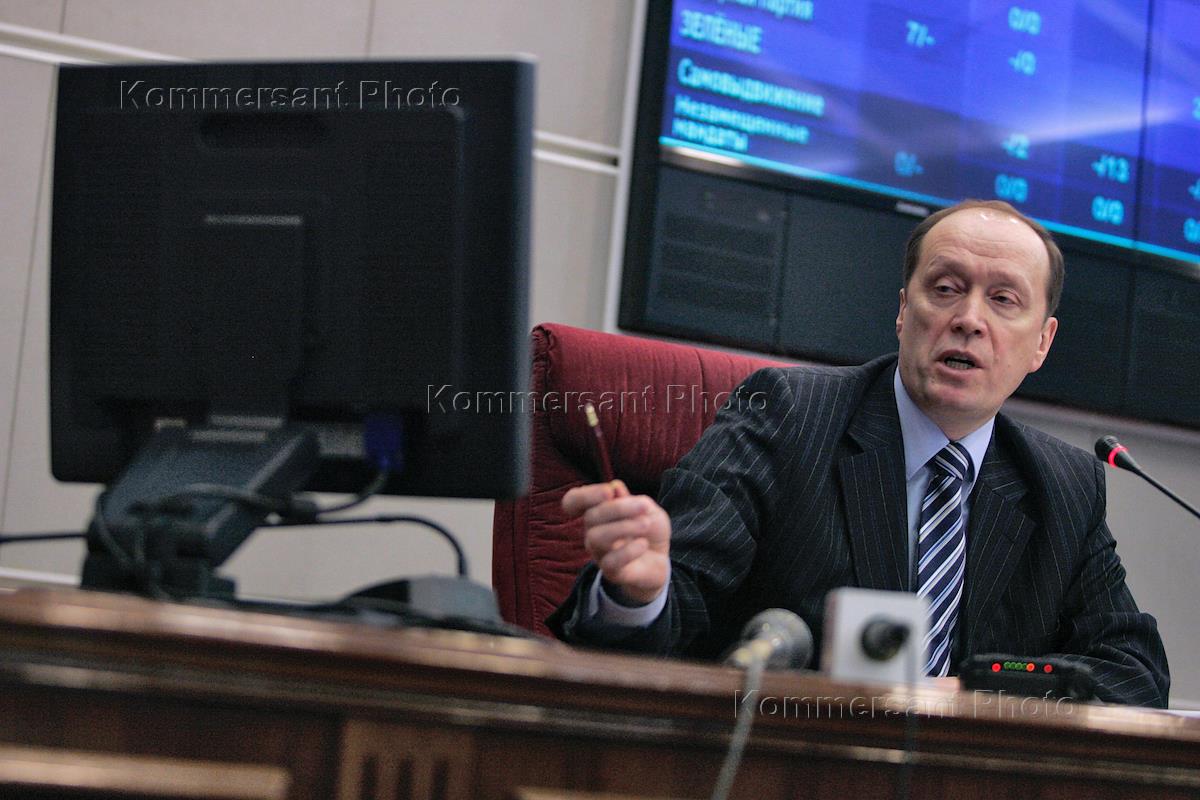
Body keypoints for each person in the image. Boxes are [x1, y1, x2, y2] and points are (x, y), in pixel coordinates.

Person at [548, 199, 1170, 707]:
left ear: (1042, 343)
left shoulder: (1064, 485)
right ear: (903, 311)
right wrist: (639, 593)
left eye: (1003, 299)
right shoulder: (787, 415)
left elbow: (1134, 673)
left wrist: (977, 690)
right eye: (945, 289)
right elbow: (673, 612)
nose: (968, 319)